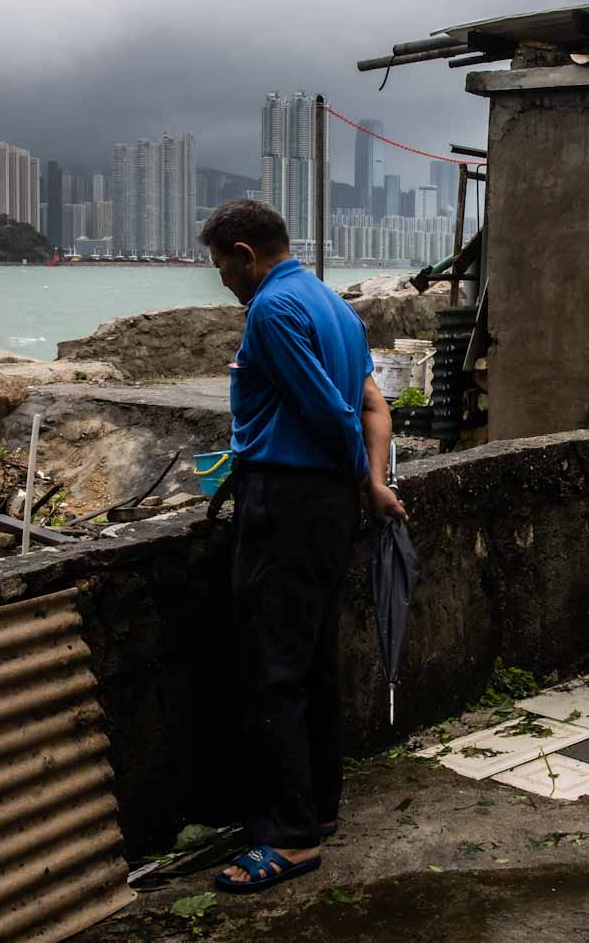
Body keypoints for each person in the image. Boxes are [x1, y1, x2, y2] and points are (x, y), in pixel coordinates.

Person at [201, 199, 407, 894]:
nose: (223, 280)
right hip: (324, 504)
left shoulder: (272, 309)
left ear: (244, 253)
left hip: (288, 499)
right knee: (311, 660)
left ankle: (287, 839)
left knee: (271, 669)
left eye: (221, 265)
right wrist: (371, 484)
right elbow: (375, 404)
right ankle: (316, 810)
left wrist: (350, 472)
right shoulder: (337, 309)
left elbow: (330, 409)